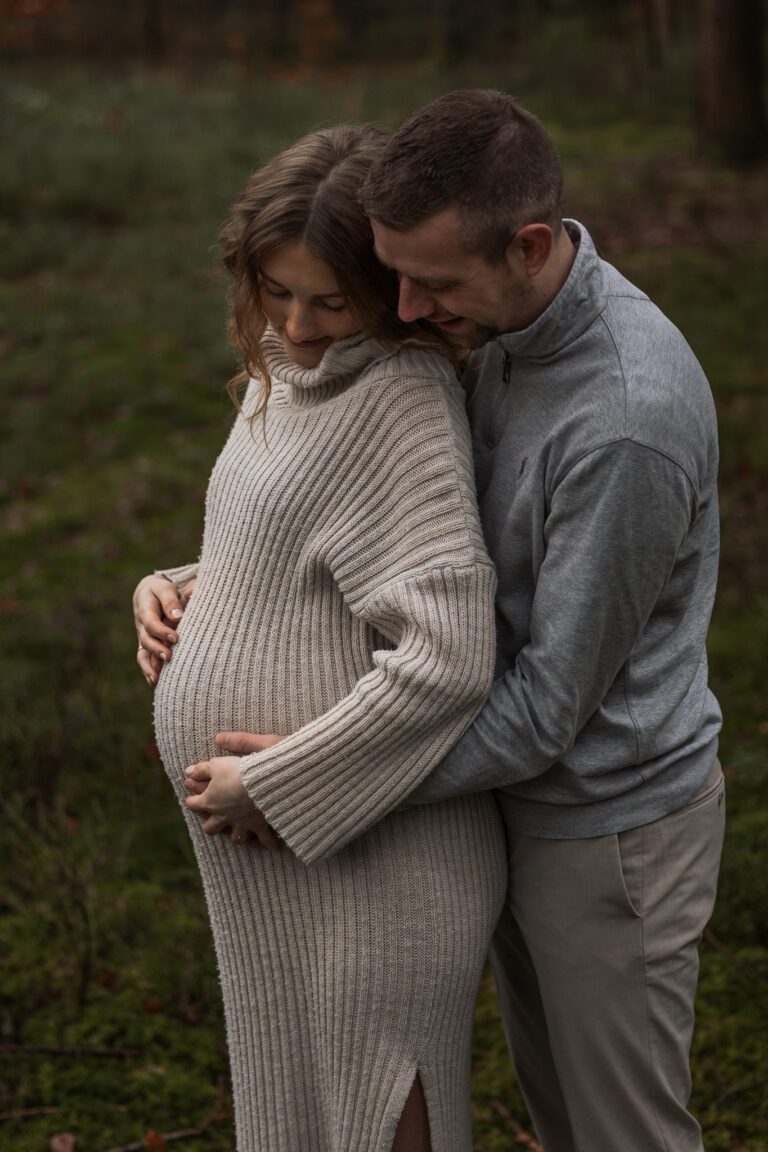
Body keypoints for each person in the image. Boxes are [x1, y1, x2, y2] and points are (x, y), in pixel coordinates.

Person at [199, 91, 725, 1150]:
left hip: (603, 828)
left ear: (529, 245)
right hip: (510, 809)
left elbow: (543, 708)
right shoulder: (496, 325)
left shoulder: (625, 421)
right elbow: (397, 543)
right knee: (557, 1113)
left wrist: (309, 782)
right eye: (392, 275)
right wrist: (189, 586)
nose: (405, 304)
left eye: (431, 283)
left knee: (619, 1132)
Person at [132, 123, 507, 1152]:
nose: (295, 325)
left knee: (376, 1113)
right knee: (293, 1113)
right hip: (278, 861)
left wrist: (282, 784)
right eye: (275, 290)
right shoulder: (285, 375)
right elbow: (297, 547)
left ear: (386, 291)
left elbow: (447, 655)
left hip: (372, 854)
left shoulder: (399, 400)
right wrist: (176, 590)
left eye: (328, 300)